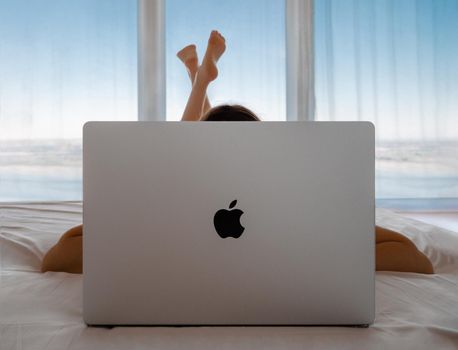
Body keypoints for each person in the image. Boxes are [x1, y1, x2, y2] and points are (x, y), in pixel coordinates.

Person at [41, 31, 433, 275]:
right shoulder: (285, 202)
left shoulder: (285, 202)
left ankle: (199, 82)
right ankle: (199, 81)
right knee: (178, 169)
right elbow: (414, 259)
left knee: (177, 163)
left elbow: (59, 258)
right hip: (183, 186)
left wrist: (329, 256)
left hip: (181, 184)